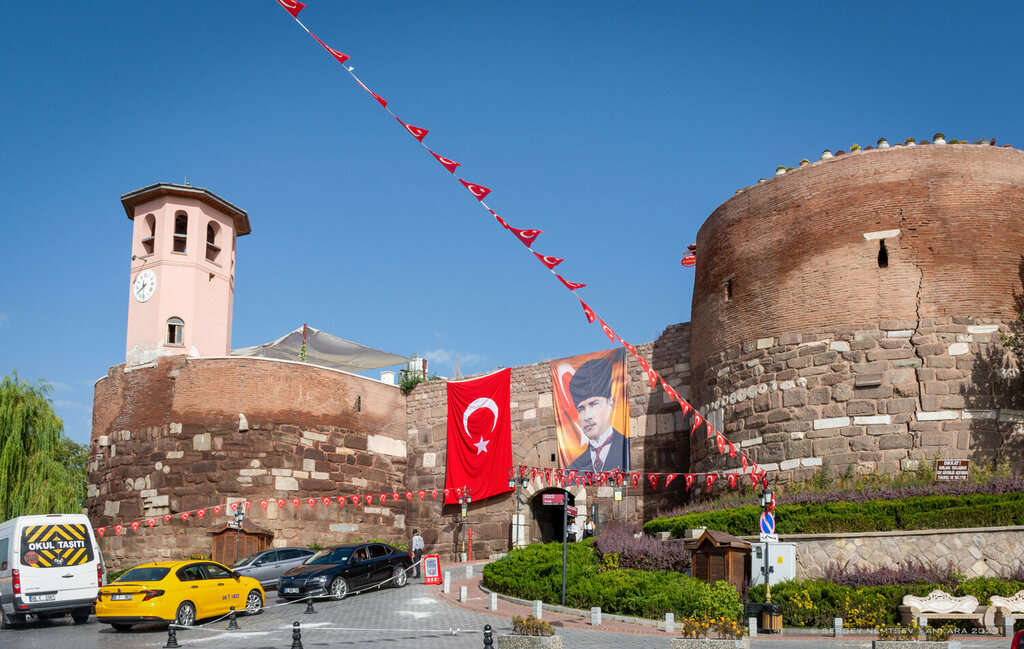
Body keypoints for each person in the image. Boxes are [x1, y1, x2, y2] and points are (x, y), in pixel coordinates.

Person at [566, 358, 630, 473]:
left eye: (594, 404)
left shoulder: (626, 447)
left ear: (610, 404)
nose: (587, 416)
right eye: (581, 409)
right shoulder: (572, 469)